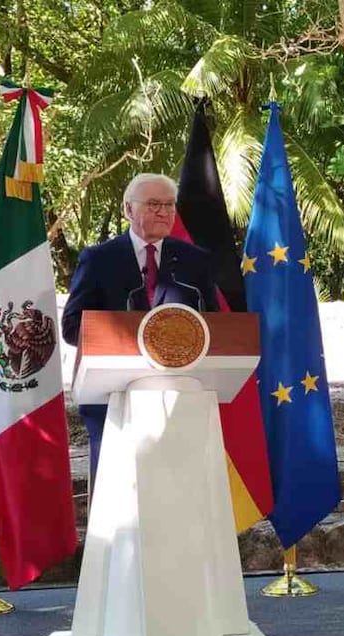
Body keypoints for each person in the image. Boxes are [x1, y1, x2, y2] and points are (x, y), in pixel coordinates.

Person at [62, 172, 220, 485]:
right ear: (128, 210)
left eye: (169, 205)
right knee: (116, 492)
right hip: (112, 398)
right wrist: (123, 335)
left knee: (173, 491)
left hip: (179, 399)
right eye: (153, 204)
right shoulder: (98, 259)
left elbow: (214, 326)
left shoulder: (194, 261)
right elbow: (71, 326)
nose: (163, 212)